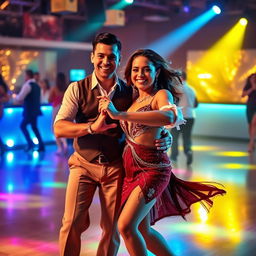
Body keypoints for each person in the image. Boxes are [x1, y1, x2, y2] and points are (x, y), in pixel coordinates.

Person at [99, 49, 226, 256]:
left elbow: (168, 116)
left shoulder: (161, 94)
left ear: (156, 72)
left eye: (146, 70)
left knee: (126, 226)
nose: (140, 74)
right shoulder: (132, 98)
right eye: (135, 70)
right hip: (130, 169)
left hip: (152, 169)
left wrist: (120, 114)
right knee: (142, 229)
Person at [54, 33, 172, 256]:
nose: (105, 62)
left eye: (111, 57)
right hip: (83, 164)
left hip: (118, 166)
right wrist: (91, 128)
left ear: (118, 59)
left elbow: (150, 115)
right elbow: (59, 128)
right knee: (71, 223)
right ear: (92, 57)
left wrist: (165, 134)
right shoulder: (76, 89)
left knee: (112, 229)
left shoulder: (131, 92)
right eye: (100, 56)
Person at [170, 70, 198, 165]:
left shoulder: (177, 88)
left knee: (174, 137)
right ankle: (188, 151)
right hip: (190, 116)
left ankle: (174, 156)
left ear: (180, 77)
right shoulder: (192, 89)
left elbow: (173, 103)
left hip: (179, 117)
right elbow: (195, 105)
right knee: (187, 137)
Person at [14, 69, 45, 152]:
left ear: (27, 76)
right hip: (35, 111)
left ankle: (30, 144)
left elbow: (20, 97)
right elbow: (40, 99)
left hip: (29, 111)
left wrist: (14, 97)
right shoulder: (37, 86)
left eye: (25, 76)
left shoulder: (27, 85)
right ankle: (40, 145)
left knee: (23, 126)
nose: (24, 77)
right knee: (34, 127)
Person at [48, 72, 68, 155]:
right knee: (64, 127)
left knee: (55, 128)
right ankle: (65, 143)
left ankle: (59, 148)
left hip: (56, 108)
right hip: (65, 108)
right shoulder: (67, 88)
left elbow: (49, 100)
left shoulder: (54, 88)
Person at [242, 73, 256, 153]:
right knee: (250, 124)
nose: (253, 79)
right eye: (252, 78)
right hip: (250, 106)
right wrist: (252, 88)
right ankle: (252, 141)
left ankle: (251, 143)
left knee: (254, 123)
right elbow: (243, 95)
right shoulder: (248, 86)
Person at [0, 74, 10, 155]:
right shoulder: (2, 86)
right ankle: (2, 146)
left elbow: (7, 98)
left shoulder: (1, 87)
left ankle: (3, 146)